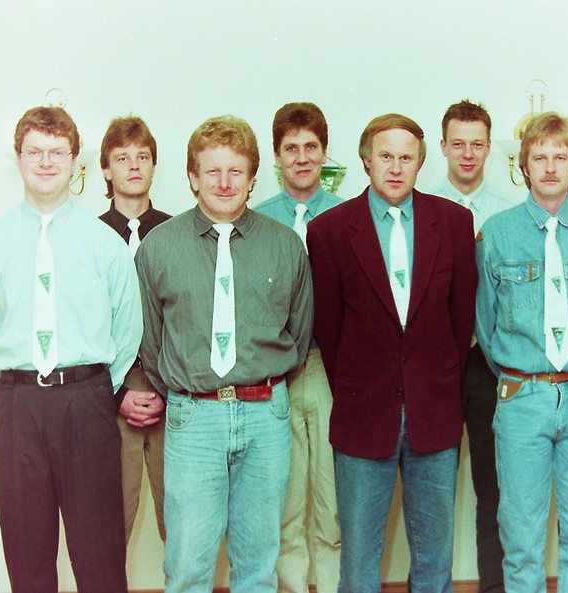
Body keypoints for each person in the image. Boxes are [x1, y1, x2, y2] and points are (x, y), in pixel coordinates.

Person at [135, 115, 313, 593]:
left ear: (253, 178)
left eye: (236, 171)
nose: (224, 182)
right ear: (192, 177)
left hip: (265, 415)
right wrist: (188, 388)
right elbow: (150, 339)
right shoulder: (159, 247)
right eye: (212, 171)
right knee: (188, 565)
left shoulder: (285, 245)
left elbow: (299, 334)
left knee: (257, 564)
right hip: (194, 417)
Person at [307, 113, 477, 593]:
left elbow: (461, 320)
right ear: (366, 160)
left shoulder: (454, 223)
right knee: (359, 558)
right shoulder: (329, 231)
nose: (396, 167)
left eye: (407, 157)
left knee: (434, 556)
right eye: (386, 156)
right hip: (363, 413)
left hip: (434, 412)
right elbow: (330, 331)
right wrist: (364, 386)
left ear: (421, 162)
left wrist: (433, 382)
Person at [0, 106, 142, 592]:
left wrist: (97, 390)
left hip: (86, 403)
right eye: (35, 151)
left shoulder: (103, 243)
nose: (45, 162)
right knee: (27, 557)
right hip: (16, 406)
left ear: (75, 161)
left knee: (99, 557)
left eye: (57, 152)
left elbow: (128, 325)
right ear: (18, 157)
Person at [476, 112, 568, 593]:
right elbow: (485, 322)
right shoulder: (496, 233)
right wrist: (522, 374)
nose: (550, 166)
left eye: (560, 156)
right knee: (521, 537)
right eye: (539, 157)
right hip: (522, 397)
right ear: (524, 167)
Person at [254, 102, 342, 593]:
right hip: (278, 373)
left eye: (311, 147)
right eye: (292, 148)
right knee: (285, 502)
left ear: (325, 153)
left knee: (330, 501)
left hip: (331, 370)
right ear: (276, 156)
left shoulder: (350, 215)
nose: (302, 157)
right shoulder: (257, 220)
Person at [429, 98, 514, 593]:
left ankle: (494, 587)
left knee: (493, 486)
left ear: (489, 147)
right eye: (458, 144)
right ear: (442, 146)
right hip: (435, 363)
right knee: (431, 490)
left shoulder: (508, 212)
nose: (467, 154)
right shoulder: (421, 207)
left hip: (488, 363)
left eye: (477, 144)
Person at [99, 115, 171, 543]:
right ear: (106, 170)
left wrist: (166, 388)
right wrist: (116, 393)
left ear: (153, 165)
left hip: (171, 387)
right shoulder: (90, 236)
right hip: (112, 386)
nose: (133, 166)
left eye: (142, 157)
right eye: (122, 158)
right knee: (111, 519)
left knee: (180, 517)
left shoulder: (178, 231)